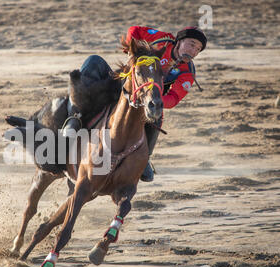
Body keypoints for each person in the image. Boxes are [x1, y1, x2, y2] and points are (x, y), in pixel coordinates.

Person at [62, 26, 207, 182]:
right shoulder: (162, 39)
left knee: (157, 118)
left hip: (147, 102)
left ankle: (145, 159)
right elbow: (134, 30)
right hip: (126, 82)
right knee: (93, 61)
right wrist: (133, 53)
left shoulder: (187, 72)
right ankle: (74, 117)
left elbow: (174, 98)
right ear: (178, 41)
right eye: (191, 44)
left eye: (198, 49)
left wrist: (152, 100)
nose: (193, 51)